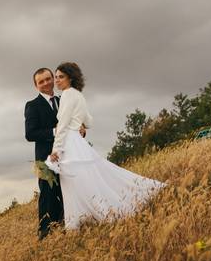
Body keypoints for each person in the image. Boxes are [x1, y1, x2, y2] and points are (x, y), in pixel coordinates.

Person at [45, 62, 165, 230]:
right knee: (86, 180)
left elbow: (63, 125)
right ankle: (86, 218)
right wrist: (80, 125)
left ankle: (78, 223)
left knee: (73, 185)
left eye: (60, 77)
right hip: (78, 142)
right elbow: (89, 121)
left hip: (69, 143)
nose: (57, 80)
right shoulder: (79, 95)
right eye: (56, 77)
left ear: (70, 78)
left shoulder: (66, 95)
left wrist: (55, 150)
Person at [24, 67, 73, 239]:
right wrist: (54, 131)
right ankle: (44, 233)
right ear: (36, 85)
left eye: (47, 79)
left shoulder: (63, 100)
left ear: (53, 79)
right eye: (41, 81)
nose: (45, 83)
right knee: (47, 195)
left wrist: (80, 130)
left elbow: (72, 123)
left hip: (67, 155)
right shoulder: (32, 105)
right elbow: (30, 134)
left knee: (67, 191)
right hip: (44, 160)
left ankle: (67, 224)